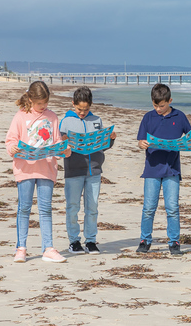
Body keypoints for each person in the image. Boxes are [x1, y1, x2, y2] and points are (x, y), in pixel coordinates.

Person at [5, 81, 71, 263]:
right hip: (25, 168)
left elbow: (57, 143)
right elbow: (10, 140)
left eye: (46, 103)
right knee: (24, 208)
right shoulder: (20, 116)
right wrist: (13, 149)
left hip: (46, 168)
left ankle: (48, 248)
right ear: (31, 99)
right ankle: (21, 248)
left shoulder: (52, 117)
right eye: (40, 103)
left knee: (45, 209)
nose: (43, 106)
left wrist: (64, 150)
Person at [136, 83, 191, 255]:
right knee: (149, 207)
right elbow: (141, 140)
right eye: (155, 105)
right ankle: (145, 240)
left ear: (170, 100)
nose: (158, 108)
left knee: (172, 207)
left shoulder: (179, 116)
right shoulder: (148, 117)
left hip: (172, 169)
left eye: (162, 105)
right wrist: (141, 144)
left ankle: (174, 242)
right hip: (152, 169)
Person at [59, 86, 117, 255]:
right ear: (73, 104)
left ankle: (90, 241)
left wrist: (110, 140)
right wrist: (64, 142)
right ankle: (74, 241)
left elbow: (102, 146)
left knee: (92, 207)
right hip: (74, 170)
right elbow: (60, 147)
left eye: (86, 109)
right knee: (73, 206)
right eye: (79, 109)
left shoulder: (97, 120)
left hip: (94, 170)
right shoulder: (65, 121)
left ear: (91, 105)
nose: (82, 113)